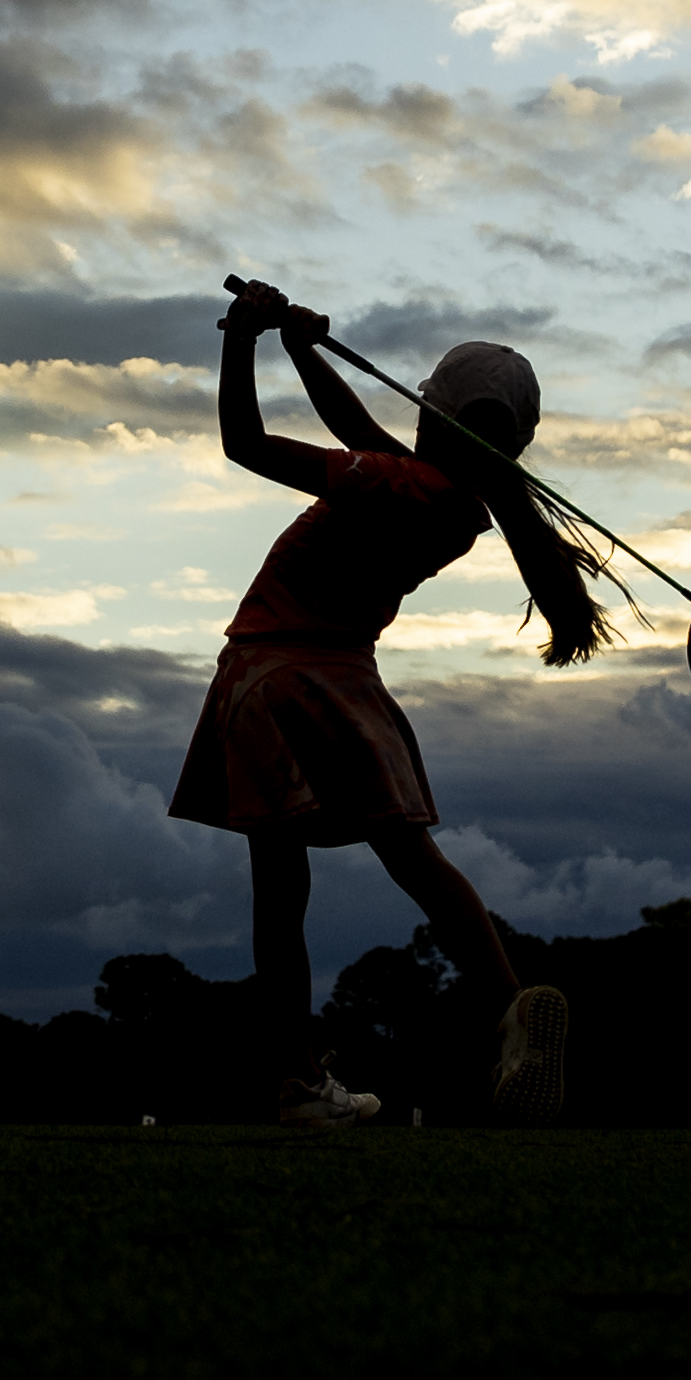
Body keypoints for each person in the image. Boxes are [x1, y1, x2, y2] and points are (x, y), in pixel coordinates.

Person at [167, 278, 608, 1127]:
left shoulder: (398, 484)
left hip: (269, 674)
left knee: (279, 890)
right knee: (416, 861)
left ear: (429, 410)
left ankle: (295, 1078)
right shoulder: (462, 508)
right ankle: (511, 1010)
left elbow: (243, 442)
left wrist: (240, 335)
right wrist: (299, 349)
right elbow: (356, 433)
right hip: (346, 680)